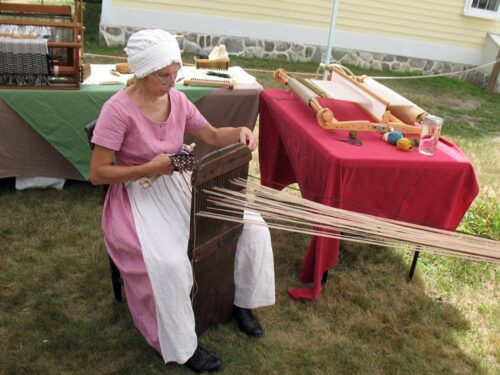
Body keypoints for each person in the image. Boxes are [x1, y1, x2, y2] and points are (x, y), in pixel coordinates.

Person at [89, 29, 275, 373]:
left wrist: (239, 132)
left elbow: (213, 136)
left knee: (252, 227)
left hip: (181, 173)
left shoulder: (177, 101)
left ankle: (240, 302)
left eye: (176, 74)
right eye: (164, 76)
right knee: (170, 264)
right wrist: (150, 166)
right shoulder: (117, 110)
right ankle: (182, 345)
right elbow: (98, 173)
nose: (172, 83)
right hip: (138, 193)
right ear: (143, 72)